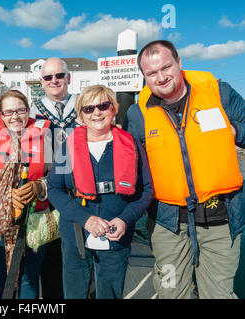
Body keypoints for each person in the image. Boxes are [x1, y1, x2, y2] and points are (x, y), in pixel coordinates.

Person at [123, 40, 245, 299]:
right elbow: (128, 164)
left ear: (179, 63)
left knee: (219, 294)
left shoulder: (219, 92)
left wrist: (233, 130)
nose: (161, 77)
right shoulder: (138, 114)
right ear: (144, 77)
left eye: (166, 67)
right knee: (170, 292)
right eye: (151, 73)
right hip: (169, 223)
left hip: (220, 218)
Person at [47, 84, 154, 299]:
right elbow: (54, 189)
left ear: (113, 109)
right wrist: (85, 219)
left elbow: (147, 190)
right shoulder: (67, 147)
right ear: (81, 115)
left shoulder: (131, 144)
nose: (96, 112)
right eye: (88, 108)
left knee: (110, 294)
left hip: (117, 237)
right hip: (76, 235)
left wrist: (126, 219)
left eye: (103, 106)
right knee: (74, 294)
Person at [0, 89, 52, 299]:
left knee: (30, 276)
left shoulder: (44, 139)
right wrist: (3, 194)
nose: (15, 116)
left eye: (20, 110)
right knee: (3, 274)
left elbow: (55, 178)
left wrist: (38, 188)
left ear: (28, 111)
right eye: (8, 112)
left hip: (35, 221)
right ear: (0, 115)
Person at [29, 57, 79, 299]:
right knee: (48, 253)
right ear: (41, 82)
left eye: (59, 75)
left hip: (80, 190)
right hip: (46, 190)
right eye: (48, 77)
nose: (54, 80)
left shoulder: (86, 106)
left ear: (68, 78)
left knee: (80, 254)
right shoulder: (31, 111)